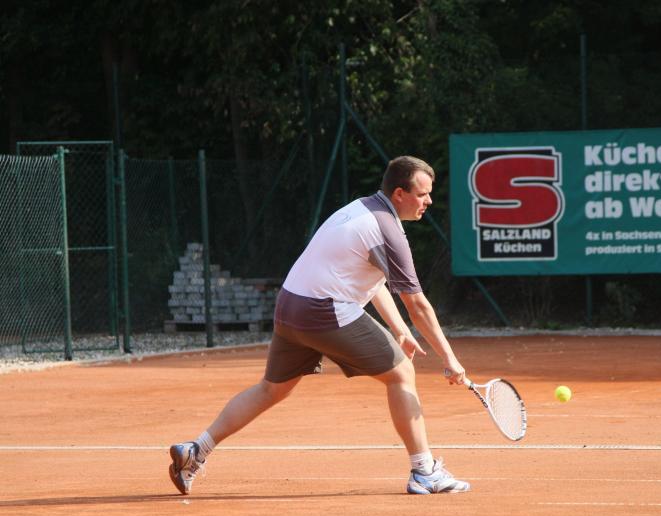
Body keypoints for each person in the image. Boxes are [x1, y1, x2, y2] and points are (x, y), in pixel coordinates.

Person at [169, 155, 470, 495]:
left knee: (272, 389)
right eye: (422, 194)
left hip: (289, 305)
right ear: (399, 193)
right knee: (401, 373)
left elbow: (372, 281)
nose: (428, 201)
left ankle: (196, 450)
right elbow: (418, 304)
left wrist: (399, 330)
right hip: (323, 310)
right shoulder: (387, 229)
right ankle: (424, 472)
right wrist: (450, 359)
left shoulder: (359, 209)